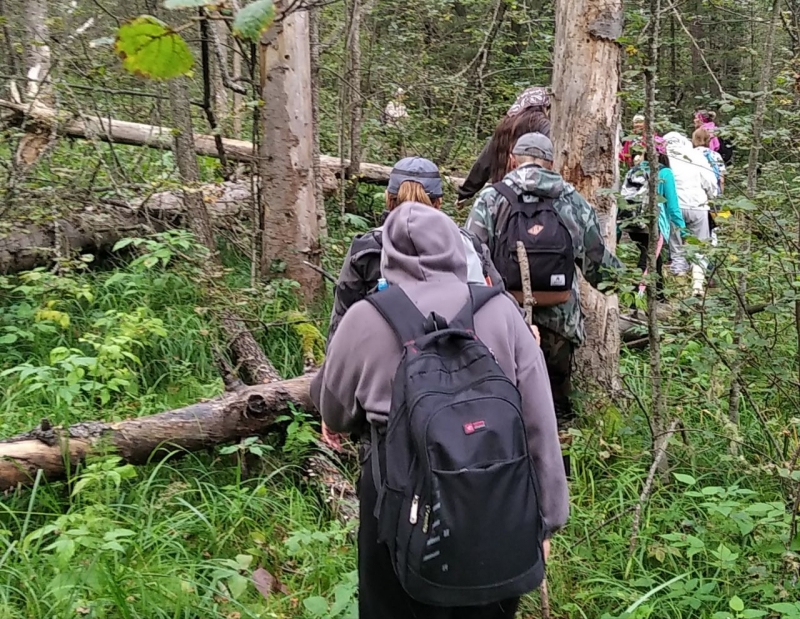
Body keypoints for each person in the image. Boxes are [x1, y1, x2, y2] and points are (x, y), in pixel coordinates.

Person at [312, 202, 569, 619]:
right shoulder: (500, 311)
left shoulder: (364, 318)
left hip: (396, 506)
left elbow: (335, 411)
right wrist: (546, 520)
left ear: (387, 256)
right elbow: (539, 421)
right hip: (497, 502)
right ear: (455, 246)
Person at [466, 132, 622, 440]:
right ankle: (560, 472)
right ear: (552, 164)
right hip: (559, 324)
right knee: (555, 408)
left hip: (503, 320)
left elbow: (471, 258)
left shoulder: (492, 198)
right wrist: (631, 283)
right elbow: (598, 268)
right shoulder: (571, 201)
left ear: (512, 161)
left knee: (500, 398)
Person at [327, 156, 503, 345]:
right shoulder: (469, 245)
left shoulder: (366, 249)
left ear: (388, 199)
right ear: (439, 203)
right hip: (462, 360)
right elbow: (499, 301)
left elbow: (341, 321)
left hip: (386, 361)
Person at [456, 86, 551, 204]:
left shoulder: (505, 126)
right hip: (535, 199)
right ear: (544, 106)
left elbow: (484, 162)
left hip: (502, 198)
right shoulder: (544, 125)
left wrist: (465, 193)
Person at [619, 138, 686, 301]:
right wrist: (682, 229)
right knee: (647, 262)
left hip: (633, 223)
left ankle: (659, 296)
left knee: (655, 258)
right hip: (652, 223)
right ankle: (635, 300)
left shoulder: (634, 170)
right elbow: (672, 205)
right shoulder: (664, 172)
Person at [663, 131, 718, 296]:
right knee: (700, 247)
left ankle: (680, 288)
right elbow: (710, 181)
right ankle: (697, 286)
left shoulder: (663, 157)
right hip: (698, 206)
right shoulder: (696, 156)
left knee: (677, 248)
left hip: (673, 208)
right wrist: (711, 196)